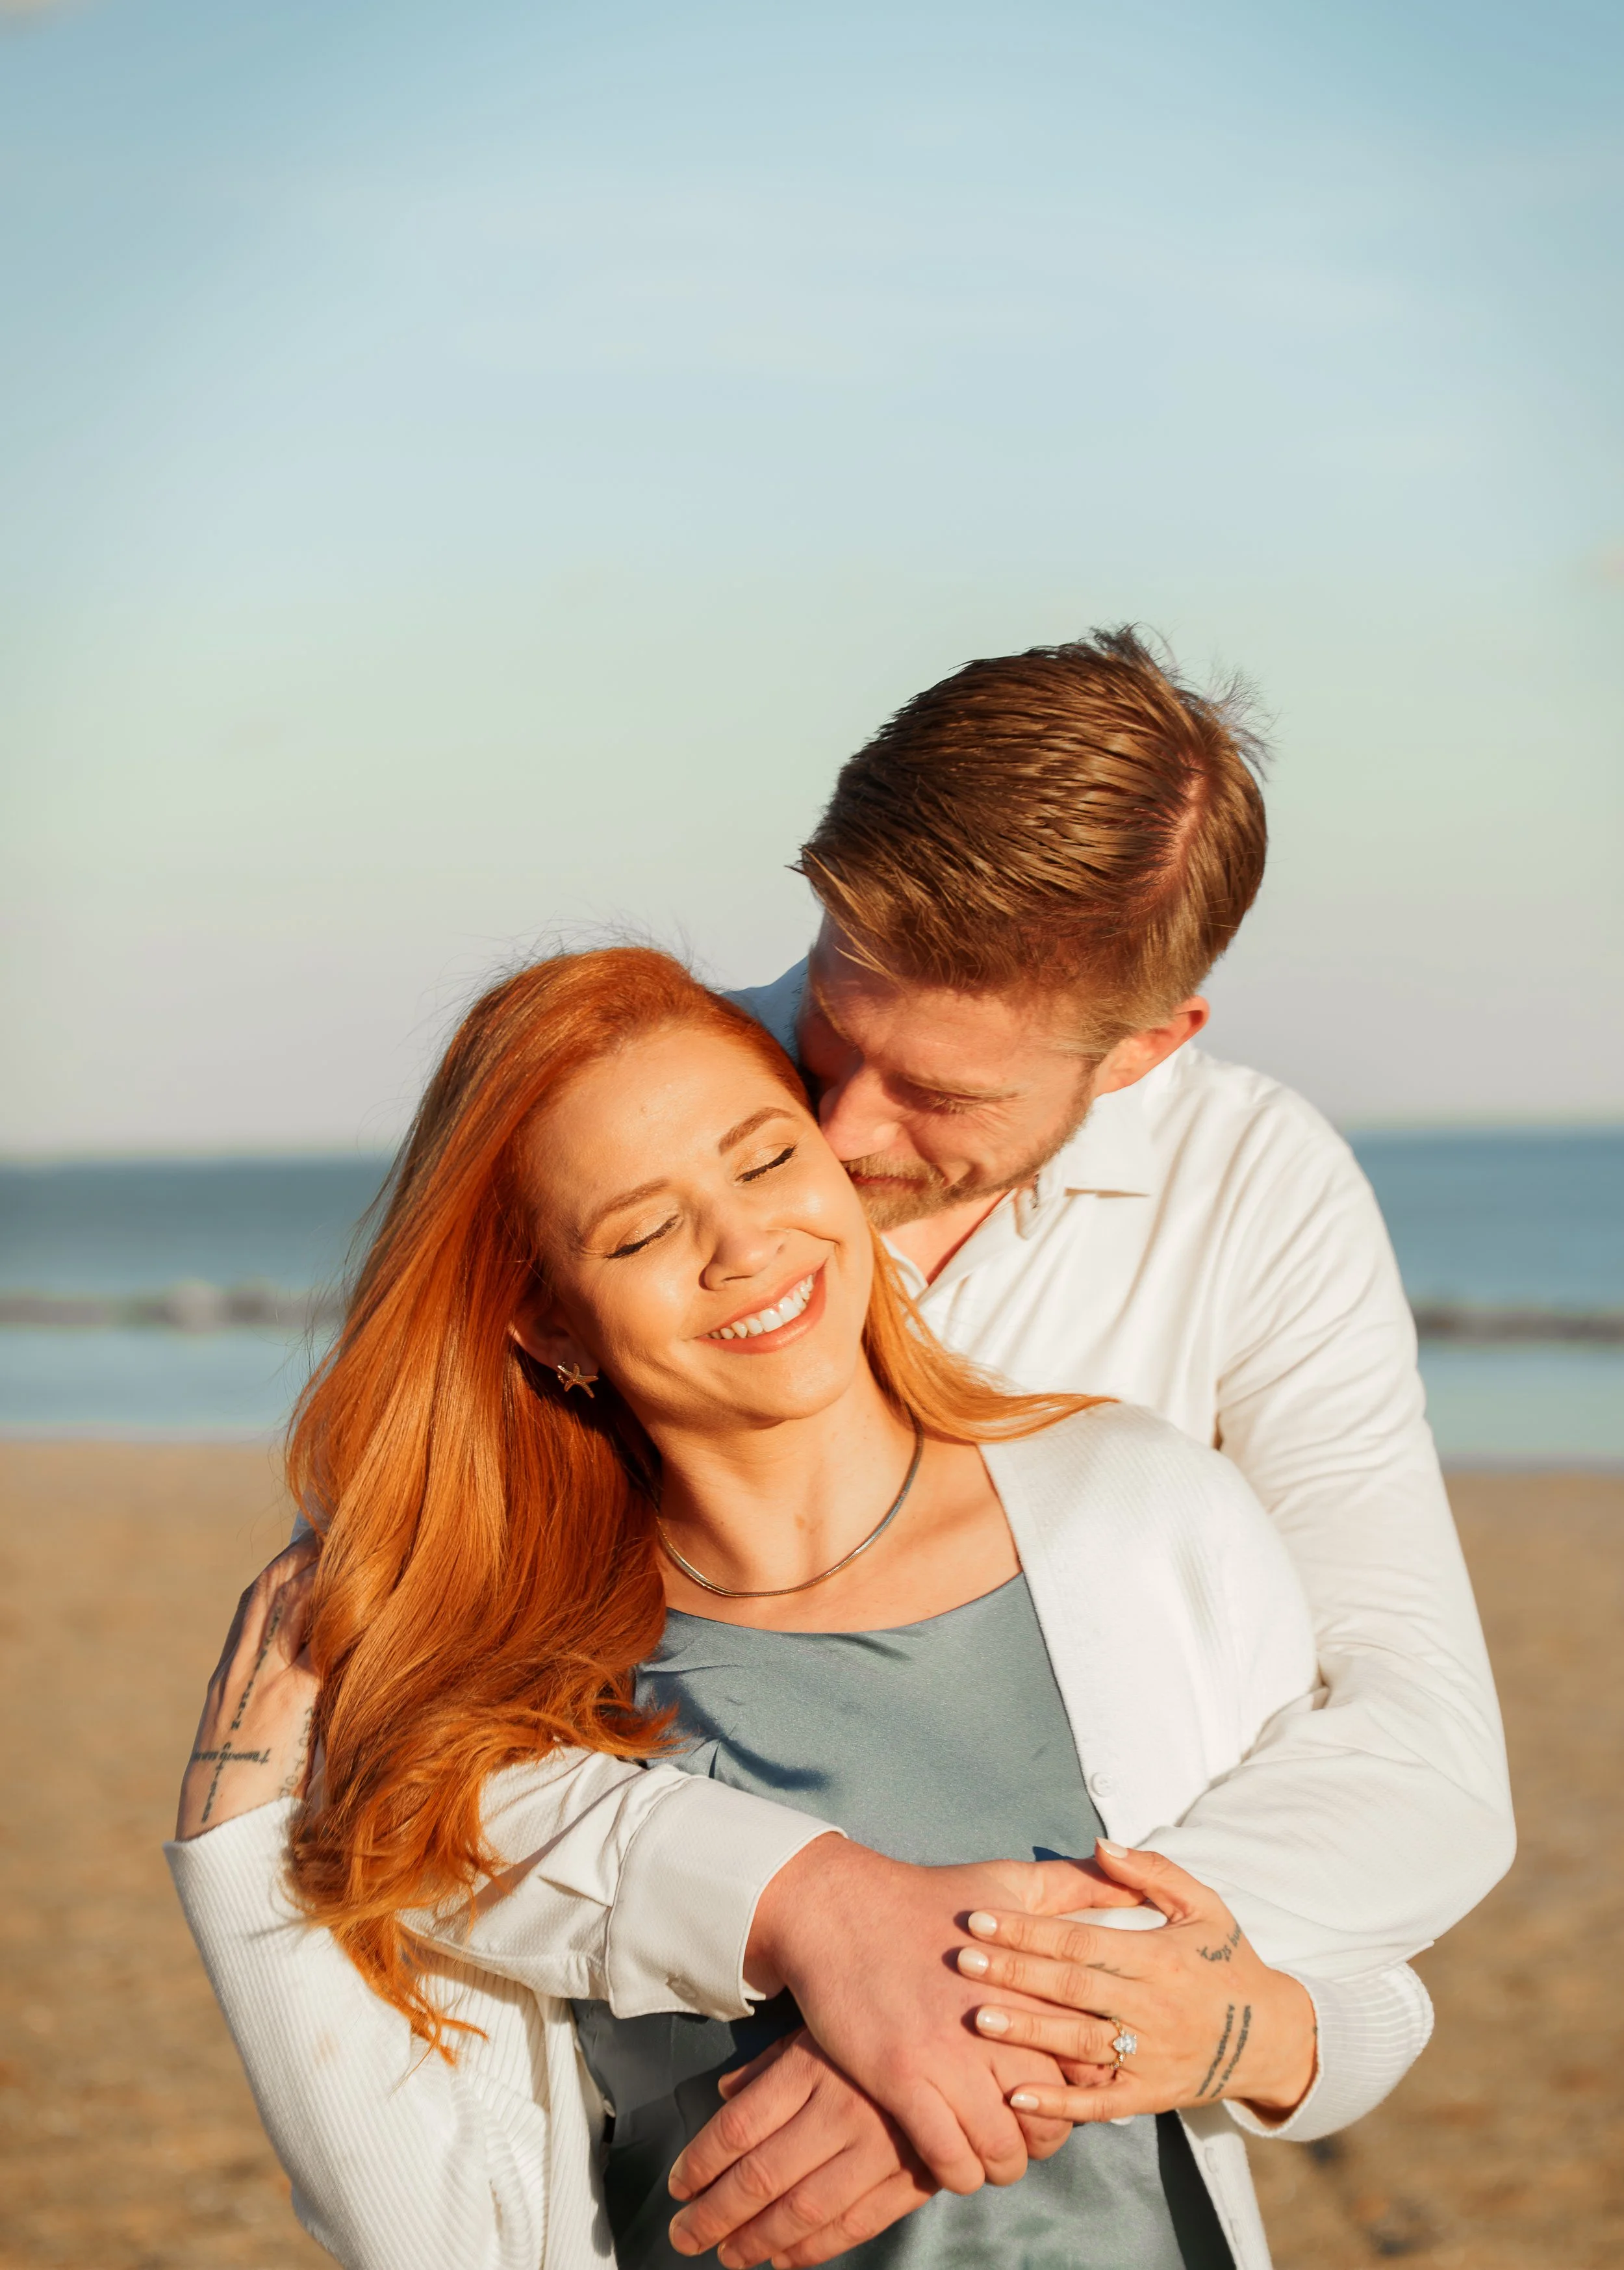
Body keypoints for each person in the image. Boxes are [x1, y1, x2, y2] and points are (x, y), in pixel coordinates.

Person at [393, 630, 1512, 2258]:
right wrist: (823, 1919)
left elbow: (1417, 1756)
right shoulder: (627, 1132)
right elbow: (404, 1751)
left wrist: (980, 2017)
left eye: (936, 1094)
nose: (841, 1139)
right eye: (836, 1027)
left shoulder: (1253, 1194)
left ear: (1146, 1049)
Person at [170, 949, 1440, 2270]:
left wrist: (1156, 2033)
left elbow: (1356, 1987)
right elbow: (444, 2230)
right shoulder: (516, 1694)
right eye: (643, 1230)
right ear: (548, 1325)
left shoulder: (1139, 1513)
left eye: (766, 1160)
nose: (744, 1246)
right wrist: (233, 1854)